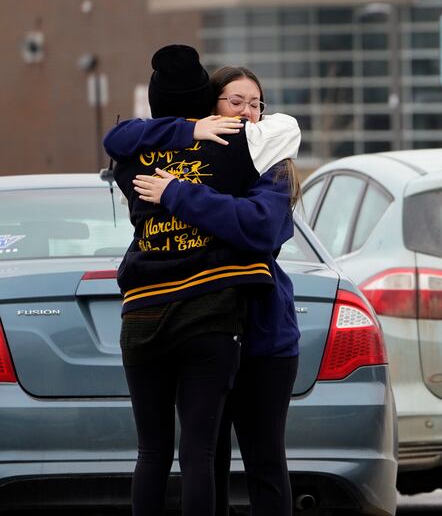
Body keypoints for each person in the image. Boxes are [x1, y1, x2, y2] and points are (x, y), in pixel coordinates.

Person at [110, 65, 302, 515]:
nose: (248, 112)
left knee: (266, 462)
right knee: (204, 458)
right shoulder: (184, 150)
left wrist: (177, 193)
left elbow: (262, 227)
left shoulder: (266, 161)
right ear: (209, 109)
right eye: (235, 101)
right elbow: (118, 139)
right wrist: (188, 130)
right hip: (204, 324)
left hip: (262, 336)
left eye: (256, 104)